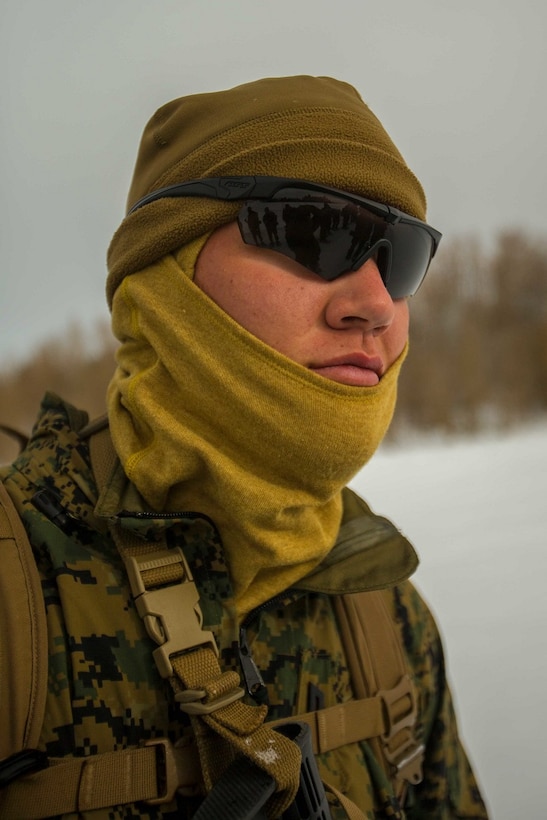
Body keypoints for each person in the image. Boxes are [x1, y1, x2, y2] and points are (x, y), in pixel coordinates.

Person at [0, 75, 489, 819]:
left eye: (400, 259)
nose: (375, 305)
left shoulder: (386, 612)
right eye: (314, 232)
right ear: (164, 274)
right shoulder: (16, 598)